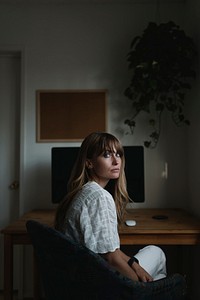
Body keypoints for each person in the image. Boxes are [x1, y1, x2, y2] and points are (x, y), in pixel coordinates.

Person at [54, 132, 167, 282]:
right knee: (157, 254)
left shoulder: (83, 191)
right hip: (96, 281)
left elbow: (110, 251)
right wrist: (139, 290)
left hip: (82, 276)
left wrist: (135, 265)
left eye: (118, 154)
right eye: (107, 155)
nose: (116, 161)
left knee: (156, 273)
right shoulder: (99, 197)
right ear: (89, 163)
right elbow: (111, 260)